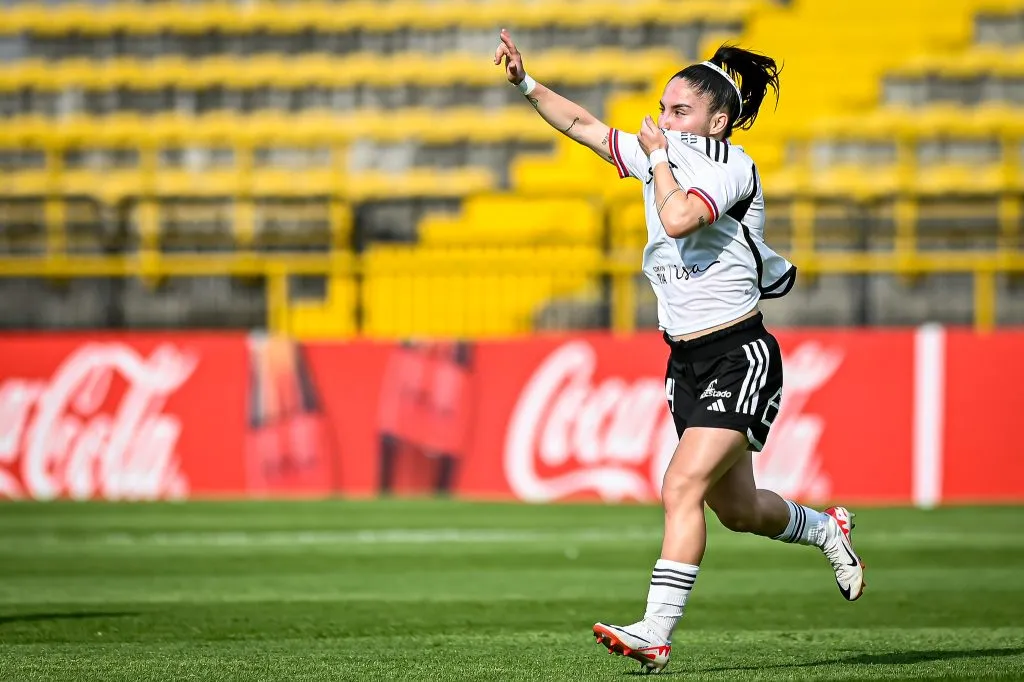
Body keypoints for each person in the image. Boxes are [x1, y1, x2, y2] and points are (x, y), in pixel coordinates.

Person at [493, 29, 866, 674]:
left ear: (717, 119)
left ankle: (656, 632)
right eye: (662, 109)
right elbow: (582, 125)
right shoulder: (661, 154)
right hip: (686, 363)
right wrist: (526, 84)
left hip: (737, 353)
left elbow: (676, 218)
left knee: (680, 484)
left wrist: (660, 156)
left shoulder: (729, 167)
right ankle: (827, 530)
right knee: (740, 511)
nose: (662, 120)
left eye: (679, 110)